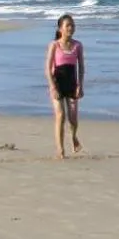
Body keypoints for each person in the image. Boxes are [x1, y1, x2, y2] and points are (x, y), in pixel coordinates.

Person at [45, 13, 85, 159]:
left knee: (73, 119)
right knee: (60, 115)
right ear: (60, 28)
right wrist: (52, 87)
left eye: (72, 25)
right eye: (68, 25)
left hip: (72, 84)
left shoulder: (78, 45)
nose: (71, 28)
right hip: (57, 84)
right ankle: (60, 151)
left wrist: (80, 85)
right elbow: (48, 69)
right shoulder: (54, 45)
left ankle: (73, 137)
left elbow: (81, 67)